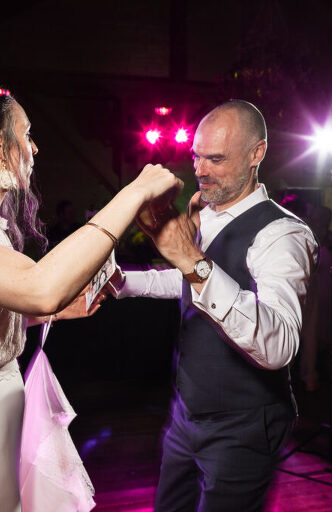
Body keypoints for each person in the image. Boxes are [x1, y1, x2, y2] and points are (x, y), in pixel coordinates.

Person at [0, 83, 182, 512]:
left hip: (2, 420)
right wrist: (132, 192)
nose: (34, 147)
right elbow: (39, 289)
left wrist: (49, 314)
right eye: (26, 134)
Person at [109, 100, 317, 511]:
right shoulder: (204, 211)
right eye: (197, 156)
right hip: (188, 412)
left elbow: (279, 345)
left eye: (216, 158)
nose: (200, 170)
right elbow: (190, 283)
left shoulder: (283, 234)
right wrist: (122, 283)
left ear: (257, 153)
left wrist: (192, 259)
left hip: (245, 422)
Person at [300, 205, 332, 391]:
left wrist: (331, 244)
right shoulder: (305, 234)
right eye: (319, 218)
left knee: (327, 325)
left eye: (325, 218)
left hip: (331, 284)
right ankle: (305, 371)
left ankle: (323, 367)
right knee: (309, 328)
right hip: (311, 284)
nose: (322, 222)